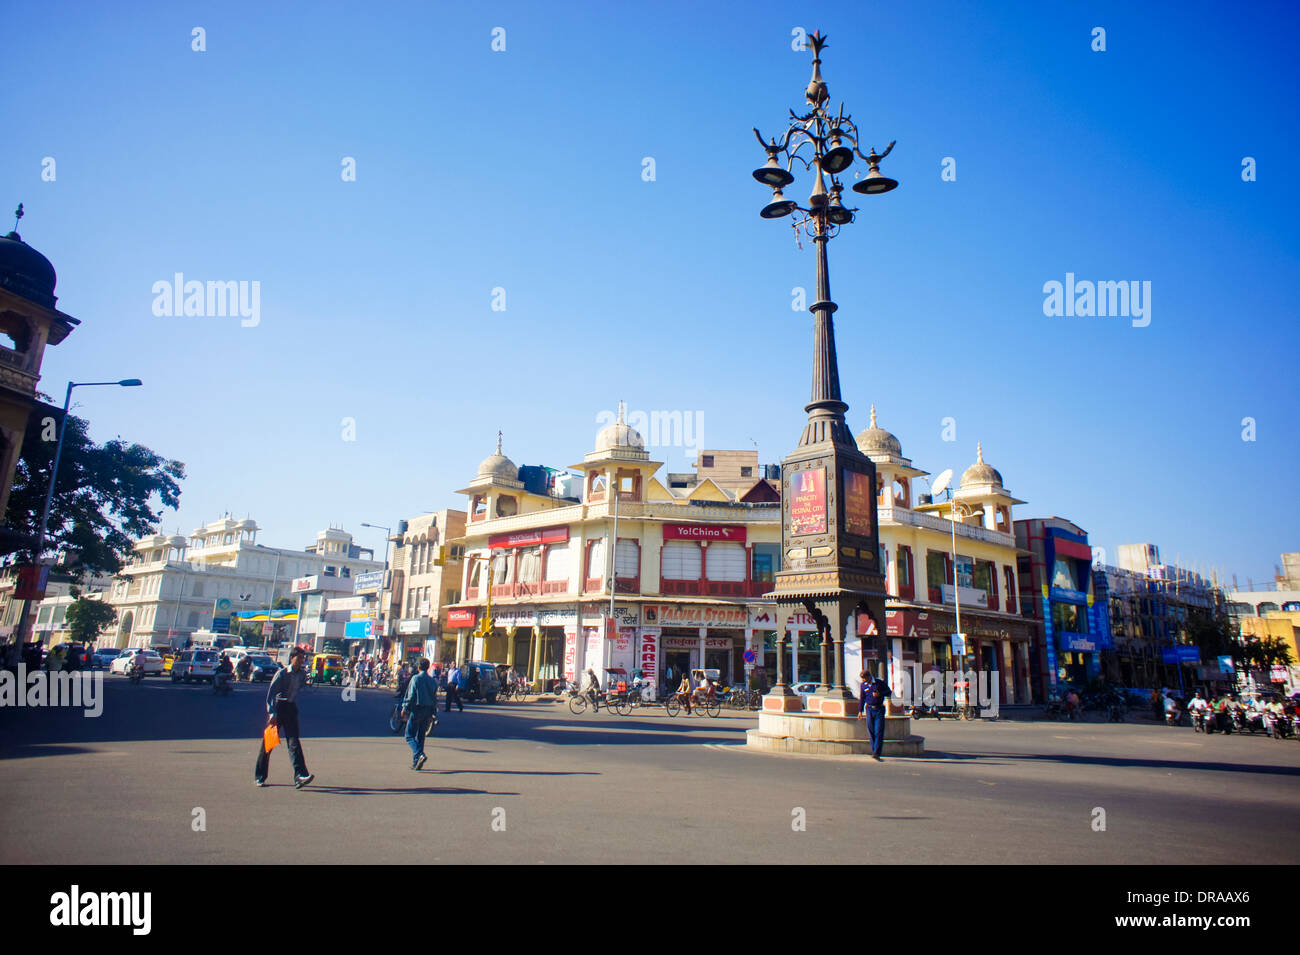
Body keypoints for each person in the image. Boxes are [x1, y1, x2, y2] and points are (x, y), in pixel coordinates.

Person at [255, 646, 313, 789]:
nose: (301, 661)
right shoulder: (281, 674)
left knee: (294, 743)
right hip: (278, 708)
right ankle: (260, 776)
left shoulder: (301, 674)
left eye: (303, 658)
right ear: (292, 658)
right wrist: (272, 713)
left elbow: (301, 687)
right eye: (299, 658)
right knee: (268, 744)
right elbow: (271, 694)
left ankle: (300, 776)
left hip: (291, 709)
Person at [403, 657, 439, 770]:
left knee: (409, 735)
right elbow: (434, 698)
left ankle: (419, 754)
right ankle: (416, 763)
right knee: (421, 736)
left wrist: (405, 707)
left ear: (418, 667)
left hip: (417, 709)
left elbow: (411, 695)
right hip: (428, 710)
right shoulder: (432, 681)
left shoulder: (416, 678)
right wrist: (433, 713)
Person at [857, 669, 890, 761]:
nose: (863, 680)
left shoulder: (878, 683)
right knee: (871, 731)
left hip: (879, 709)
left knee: (878, 731)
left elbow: (888, 691)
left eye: (864, 678)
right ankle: (874, 750)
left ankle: (877, 752)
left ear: (868, 677)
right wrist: (860, 711)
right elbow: (862, 698)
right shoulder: (863, 685)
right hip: (869, 709)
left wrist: (880, 694)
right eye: (862, 679)